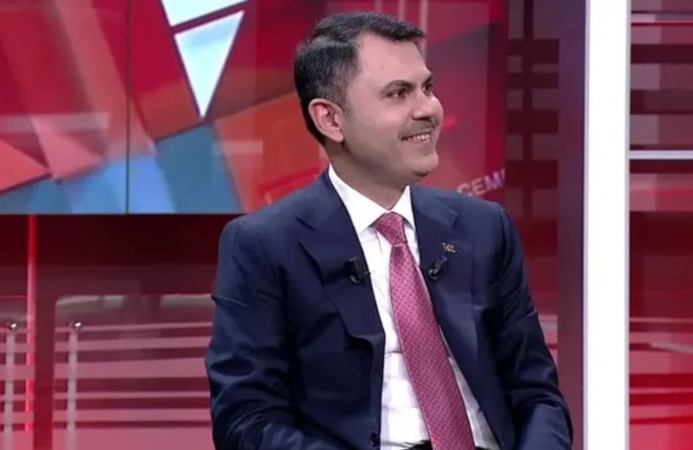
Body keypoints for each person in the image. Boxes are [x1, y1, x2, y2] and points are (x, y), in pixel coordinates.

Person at [205, 10, 572, 450]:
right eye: (398, 93)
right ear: (330, 120)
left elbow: (536, 395)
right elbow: (246, 420)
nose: (428, 109)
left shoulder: (484, 228)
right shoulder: (266, 245)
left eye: (427, 88)